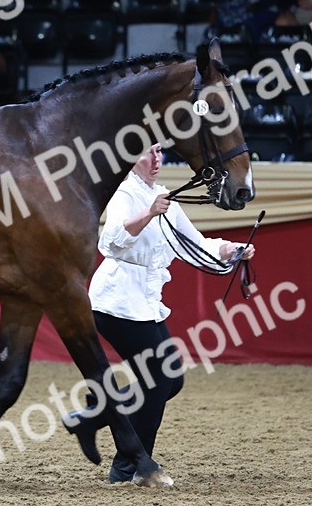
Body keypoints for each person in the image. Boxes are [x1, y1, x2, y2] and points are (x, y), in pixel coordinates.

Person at [63, 143, 256, 485]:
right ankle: (133, 467)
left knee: (171, 379)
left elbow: (192, 244)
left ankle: (95, 416)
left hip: (143, 302)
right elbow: (109, 241)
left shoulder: (164, 196)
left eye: (158, 152)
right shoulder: (124, 191)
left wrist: (230, 249)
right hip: (116, 303)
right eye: (146, 153)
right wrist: (149, 213)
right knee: (161, 378)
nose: (155, 160)